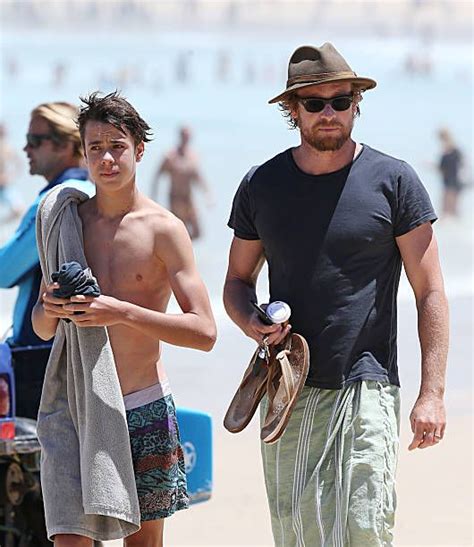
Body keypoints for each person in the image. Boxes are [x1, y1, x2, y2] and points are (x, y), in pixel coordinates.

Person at [223, 43, 448, 545]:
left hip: (367, 381)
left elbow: (430, 290)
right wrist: (251, 321)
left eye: (340, 102)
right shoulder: (262, 185)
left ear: (356, 105)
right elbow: (236, 282)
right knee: (299, 535)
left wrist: (431, 394)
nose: (329, 113)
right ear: (292, 110)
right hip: (287, 386)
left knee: (366, 528)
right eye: (315, 103)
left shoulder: (394, 181)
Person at [32, 91, 216, 546]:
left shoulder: (163, 230)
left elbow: (205, 332)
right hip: (74, 408)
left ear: (139, 149)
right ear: (84, 153)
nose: (107, 158)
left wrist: (124, 312)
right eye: (95, 148)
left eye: (116, 145)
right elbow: (41, 326)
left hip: (142, 406)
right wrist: (50, 309)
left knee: (144, 543)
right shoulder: (65, 222)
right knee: (69, 539)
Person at [0, 102, 94, 419]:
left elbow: (4, 270)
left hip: (38, 353)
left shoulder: (55, 198)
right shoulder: (94, 193)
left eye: (36, 139)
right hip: (85, 353)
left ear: (68, 144)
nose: (26, 147)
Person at [150, 126, 212, 240]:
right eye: (184, 135)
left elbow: (198, 177)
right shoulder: (170, 156)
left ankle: (184, 249)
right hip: (175, 198)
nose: (186, 138)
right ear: (180, 136)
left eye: (188, 136)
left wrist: (207, 195)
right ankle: (179, 252)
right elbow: (157, 176)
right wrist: (154, 197)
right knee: (178, 230)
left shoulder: (193, 156)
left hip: (189, 199)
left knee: (197, 232)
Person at [438, 127, 463, 219]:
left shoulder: (453, 151)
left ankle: (457, 226)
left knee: (449, 207)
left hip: (453, 180)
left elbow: (460, 166)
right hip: (449, 180)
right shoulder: (450, 150)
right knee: (449, 207)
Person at [0, 122, 23, 220]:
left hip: (4, 186)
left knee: (18, 209)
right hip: (3, 186)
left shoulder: (6, 147)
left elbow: (19, 164)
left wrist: (9, 176)